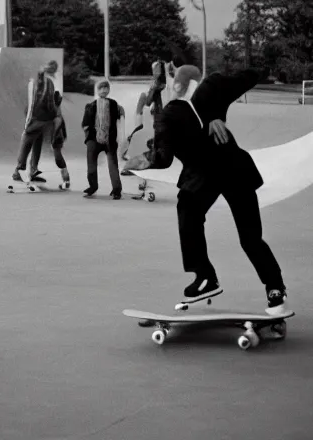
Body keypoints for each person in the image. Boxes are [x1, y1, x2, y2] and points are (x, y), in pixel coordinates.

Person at [148, 64, 288, 314]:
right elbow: (163, 154)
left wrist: (213, 113)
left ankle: (275, 287)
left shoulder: (211, 88)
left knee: (249, 237)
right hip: (205, 175)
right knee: (189, 210)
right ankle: (206, 278)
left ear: (183, 85)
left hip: (231, 168)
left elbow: (248, 76)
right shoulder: (171, 113)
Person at [12, 60, 69, 187]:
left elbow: (52, 101)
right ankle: (19, 170)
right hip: (37, 117)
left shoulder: (50, 82)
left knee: (37, 141)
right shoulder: (40, 80)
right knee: (28, 139)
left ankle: (32, 170)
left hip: (44, 118)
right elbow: (35, 101)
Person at [81, 80, 125, 199]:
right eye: (102, 88)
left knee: (112, 165)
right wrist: (89, 137)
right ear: (98, 90)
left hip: (109, 140)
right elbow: (85, 124)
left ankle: (116, 190)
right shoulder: (91, 105)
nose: (104, 90)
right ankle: (94, 186)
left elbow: (120, 117)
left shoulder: (114, 104)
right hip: (94, 139)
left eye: (106, 87)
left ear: (109, 90)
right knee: (92, 164)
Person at [119, 60, 171, 162]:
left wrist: (151, 91)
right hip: (161, 114)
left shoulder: (158, 85)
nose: (155, 72)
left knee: (150, 136)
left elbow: (148, 102)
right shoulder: (165, 83)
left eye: (155, 70)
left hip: (159, 115)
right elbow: (149, 102)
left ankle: (134, 155)